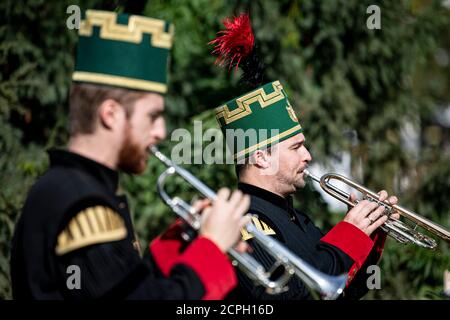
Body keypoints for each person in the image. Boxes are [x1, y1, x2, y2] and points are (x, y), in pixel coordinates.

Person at [10, 8, 250, 300]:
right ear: (111, 114)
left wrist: (183, 240)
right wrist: (211, 247)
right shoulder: (83, 204)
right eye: (152, 116)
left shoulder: (75, 188)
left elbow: (124, 289)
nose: (161, 131)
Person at [210, 13, 400, 300]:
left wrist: (368, 233)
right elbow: (293, 294)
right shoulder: (246, 222)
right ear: (261, 158)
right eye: (296, 147)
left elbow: (342, 289)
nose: (308, 155)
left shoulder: (298, 217)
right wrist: (348, 233)